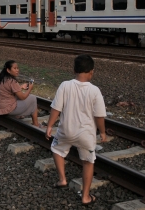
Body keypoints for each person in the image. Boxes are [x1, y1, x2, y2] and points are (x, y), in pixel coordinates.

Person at [45, 54, 107, 207]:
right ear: (91, 72)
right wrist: (103, 132)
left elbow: (56, 108)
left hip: (66, 131)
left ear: (74, 70)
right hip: (86, 135)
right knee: (88, 162)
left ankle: (62, 179)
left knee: (57, 149)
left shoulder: (65, 85)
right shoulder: (94, 90)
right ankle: (85, 196)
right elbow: (99, 116)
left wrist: (49, 126)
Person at [0, 60, 40, 127]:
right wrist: (29, 89)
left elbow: (6, 90)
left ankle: (27, 119)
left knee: (19, 98)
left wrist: (20, 87)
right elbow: (22, 97)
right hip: (6, 109)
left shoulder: (0, 78)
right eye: (15, 68)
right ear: (8, 70)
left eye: (17, 68)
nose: (17, 70)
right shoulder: (12, 81)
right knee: (33, 98)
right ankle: (36, 124)